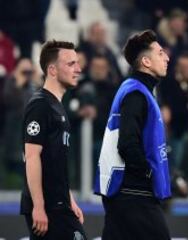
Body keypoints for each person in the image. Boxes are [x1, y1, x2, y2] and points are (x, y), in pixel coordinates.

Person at [94, 30, 171, 240]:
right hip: (133, 192)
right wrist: (147, 173)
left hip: (124, 192)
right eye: (160, 53)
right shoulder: (137, 93)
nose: (167, 58)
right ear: (146, 61)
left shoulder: (133, 89)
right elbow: (127, 143)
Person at [20, 40, 86, 239]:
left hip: (59, 204)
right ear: (52, 70)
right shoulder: (40, 105)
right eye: (71, 63)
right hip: (48, 208)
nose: (79, 68)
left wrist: (70, 200)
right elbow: (32, 157)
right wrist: (39, 207)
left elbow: (56, 163)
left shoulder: (57, 106)